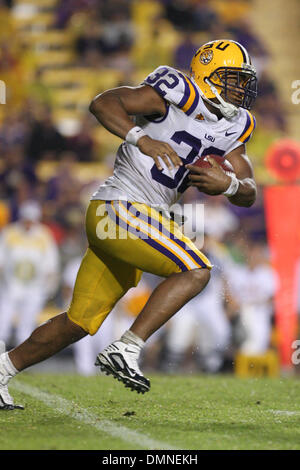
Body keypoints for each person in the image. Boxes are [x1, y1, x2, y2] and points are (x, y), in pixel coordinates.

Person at [0, 39, 258, 409]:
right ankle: (127, 348)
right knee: (197, 270)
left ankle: (3, 369)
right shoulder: (178, 92)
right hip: (119, 207)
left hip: (137, 219)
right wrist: (142, 138)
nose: (241, 88)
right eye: (233, 78)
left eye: (243, 80)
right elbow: (103, 102)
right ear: (208, 73)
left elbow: (249, 190)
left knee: (80, 321)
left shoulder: (236, 125)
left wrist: (230, 184)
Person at [0, 200, 60, 348]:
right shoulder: (10, 232)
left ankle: (19, 360)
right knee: (3, 321)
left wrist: (49, 286)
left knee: (27, 324)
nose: (28, 224)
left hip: (34, 287)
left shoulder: (44, 235)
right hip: (11, 285)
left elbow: (51, 263)